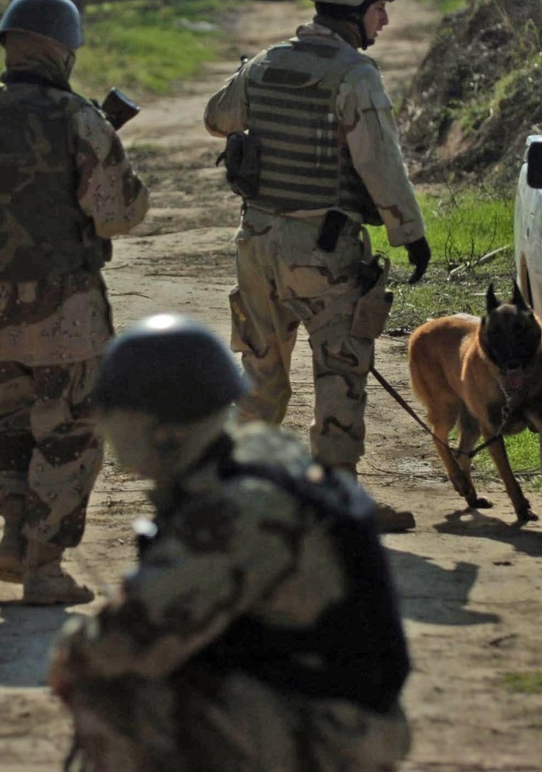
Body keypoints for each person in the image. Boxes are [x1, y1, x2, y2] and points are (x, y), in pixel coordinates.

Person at [48, 313, 413, 772]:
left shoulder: (241, 506)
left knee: (114, 692)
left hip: (333, 733)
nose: (104, 426)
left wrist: (70, 653)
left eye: (115, 413)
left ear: (161, 426)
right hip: (332, 710)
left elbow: (131, 636)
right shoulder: (255, 456)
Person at [0, 0, 149, 605]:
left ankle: (13, 540)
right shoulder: (78, 119)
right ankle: (44, 567)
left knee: (15, 429)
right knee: (72, 434)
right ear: (62, 51)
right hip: (68, 310)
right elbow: (117, 214)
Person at [203, 0, 431, 532]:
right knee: (340, 371)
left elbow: (217, 118)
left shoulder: (265, 64)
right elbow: (380, 163)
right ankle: (338, 500)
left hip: (256, 245)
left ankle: (240, 498)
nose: (384, 22)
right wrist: (409, 233)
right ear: (357, 8)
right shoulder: (355, 76)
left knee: (260, 376)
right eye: (380, 9)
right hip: (323, 251)